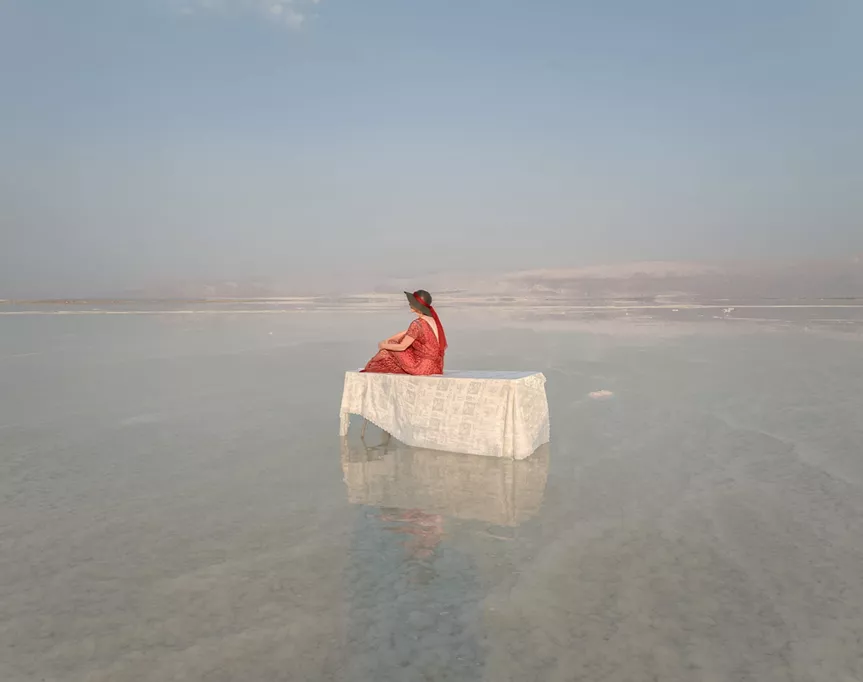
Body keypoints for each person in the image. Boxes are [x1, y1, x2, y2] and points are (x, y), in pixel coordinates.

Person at [361, 290, 447, 375]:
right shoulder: (431, 319)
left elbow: (403, 346)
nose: (409, 303)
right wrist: (388, 339)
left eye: (412, 302)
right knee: (392, 342)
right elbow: (407, 332)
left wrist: (383, 345)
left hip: (421, 367)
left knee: (390, 347)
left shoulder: (417, 323)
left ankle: (370, 366)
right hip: (435, 367)